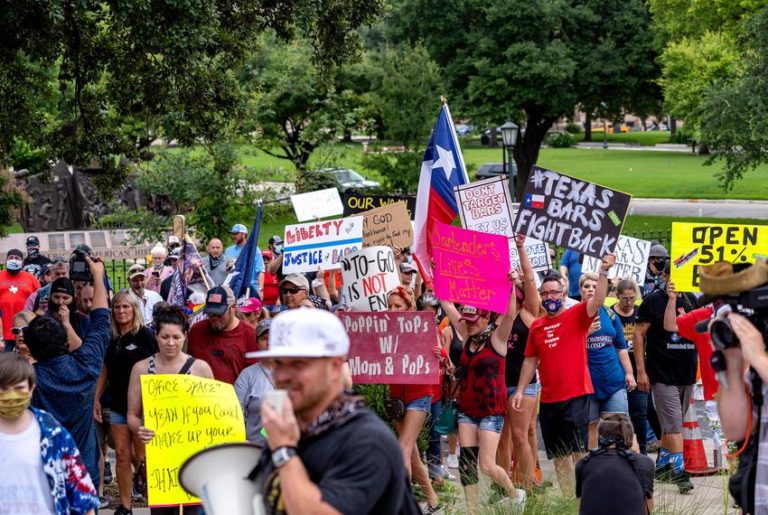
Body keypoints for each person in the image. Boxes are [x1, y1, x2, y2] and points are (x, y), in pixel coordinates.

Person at [251, 307, 421, 515]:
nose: (284, 375)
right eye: (278, 363)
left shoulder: (366, 441)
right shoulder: (288, 428)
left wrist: (284, 452)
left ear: (334, 367)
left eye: (298, 364)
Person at [514, 253, 616, 496]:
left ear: (563, 293)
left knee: (579, 451)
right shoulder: (537, 326)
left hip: (577, 395)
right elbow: (530, 361)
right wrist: (519, 390)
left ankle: (586, 498)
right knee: (559, 455)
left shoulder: (576, 314)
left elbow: (598, 300)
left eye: (555, 293)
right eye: (546, 293)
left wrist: (603, 271)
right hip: (549, 400)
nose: (550, 298)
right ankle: (569, 501)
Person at [25, 256, 109, 491]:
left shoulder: (28, 380)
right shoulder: (87, 364)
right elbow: (101, 322)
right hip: (83, 471)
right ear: (65, 339)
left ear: (30, 348)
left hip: (45, 472)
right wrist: (98, 277)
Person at [440, 277, 524, 511]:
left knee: (487, 464)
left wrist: (510, 286)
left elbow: (509, 315)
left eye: (473, 320)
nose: (468, 324)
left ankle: (514, 494)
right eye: (466, 320)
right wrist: (438, 275)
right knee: (467, 463)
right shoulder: (467, 337)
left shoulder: (497, 339)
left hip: (491, 411)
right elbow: (447, 304)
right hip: (467, 409)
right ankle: (472, 509)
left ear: (486, 318)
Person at [128, 305, 213, 515]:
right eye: (165, 336)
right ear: (156, 336)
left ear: (185, 336)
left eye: (176, 336)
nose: (171, 343)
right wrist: (141, 429)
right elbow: (131, 414)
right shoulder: (141, 368)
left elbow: (214, 414)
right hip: (159, 457)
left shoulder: (200, 369)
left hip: (194, 457)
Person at [0, 353, 100, 514]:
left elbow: (82, 494)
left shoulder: (51, 433)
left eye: (18, 388)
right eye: (4, 389)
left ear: (31, 388)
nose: (11, 395)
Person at [634, 261, 697, 492]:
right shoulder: (653, 299)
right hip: (662, 373)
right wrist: (641, 370)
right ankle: (680, 472)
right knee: (673, 426)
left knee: (673, 423)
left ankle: (661, 464)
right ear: (665, 275)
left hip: (687, 373)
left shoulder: (691, 299)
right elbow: (639, 335)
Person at [94, 290, 157, 514]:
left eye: (126, 307)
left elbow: (157, 367)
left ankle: (155, 501)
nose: (121, 311)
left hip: (142, 407)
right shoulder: (110, 337)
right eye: (117, 307)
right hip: (118, 404)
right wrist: (96, 399)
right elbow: (105, 370)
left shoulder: (145, 336)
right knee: (121, 454)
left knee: (141, 457)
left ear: (134, 309)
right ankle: (125, 505)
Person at [386, 286, 441, 512]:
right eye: (389, 305)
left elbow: (441, 350)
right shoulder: (384, 328)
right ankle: (434, 502)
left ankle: (403, 505)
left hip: (419, 393)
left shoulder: (422, 327)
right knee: (412, 455)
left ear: (409, 308)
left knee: (403, 448)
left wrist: (441, 353)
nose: (392, 310)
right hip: (396, 397)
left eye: (397, 306)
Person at [499, 235, 542, 492]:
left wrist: (520, 248)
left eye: (516, 291)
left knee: (521, 435)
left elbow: (529, 278)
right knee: (501, 438)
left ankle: (525, 485)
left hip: (523, 384)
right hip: (498, 383)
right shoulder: (496, 315)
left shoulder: (528, 312)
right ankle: (504, 485)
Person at [579, 272, 635, 450]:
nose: (591, 290)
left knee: (618, 425)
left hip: (613, 380)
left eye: (595, 287)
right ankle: (595, 466)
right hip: (587, 384)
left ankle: (622, 467)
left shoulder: (610, 315)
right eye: (587, 287)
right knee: (591, 426)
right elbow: (568, 347)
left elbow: (621, 347)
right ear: (580, 290)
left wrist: (629, 373)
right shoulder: (573, 315)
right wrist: (585, 333)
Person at [575, 414, 654, 515]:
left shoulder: (584, 463)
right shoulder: (644, 463)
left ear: (600, 436)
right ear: (631, 438)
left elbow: (580, 506)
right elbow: (649, 508)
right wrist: (637, 454)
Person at [187, 285, 257, 384]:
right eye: (210, 313)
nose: (214, 318)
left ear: (232, 307)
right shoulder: (197, 330)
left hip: (234, 397)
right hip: (200, 396)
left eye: (219, 313)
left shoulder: (250, 335)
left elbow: (253, 377)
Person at [612, 278, 648, 454]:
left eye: (632, 298)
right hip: (617, 369)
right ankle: (621, 449)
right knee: (618, 414)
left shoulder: (641, 312)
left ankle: (642, 450)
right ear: (617, 295)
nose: (629, 302)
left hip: (639, 366)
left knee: (640, 412)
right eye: (625, 298)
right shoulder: (611, 314)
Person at [235, 318, 274, 444]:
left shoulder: (293, 373)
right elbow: (236, 414)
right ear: (257, 343)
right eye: (264, 338)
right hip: (254, 448)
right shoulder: (247, 375)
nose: (269, 342)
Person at [1, 249, 41, 352]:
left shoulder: (31, 279)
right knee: (4, 365)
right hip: (3, 332)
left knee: (25, 363)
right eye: (11, 258)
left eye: (17, 258)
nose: (13, 260)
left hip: (25, 331)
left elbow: (39, 301)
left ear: (22, 262)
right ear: (6, 261)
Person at [47, 277, 88, 351]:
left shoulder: (83, 321)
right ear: (50, 297)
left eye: (65, 298)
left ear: (73, 299)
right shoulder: (43, 320)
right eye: (56, 297)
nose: (60, 302)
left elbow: (81, 350)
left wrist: (66, 323)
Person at [224, 223, 265, 297]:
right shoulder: (228, 250)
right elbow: (227, 272)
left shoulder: (254, 249)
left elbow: (260, 271)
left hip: (251, 287)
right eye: (232, 234)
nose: (233, 236)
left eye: (236, 234)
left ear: (243, 234)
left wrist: (260, 289)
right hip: (234, 287)